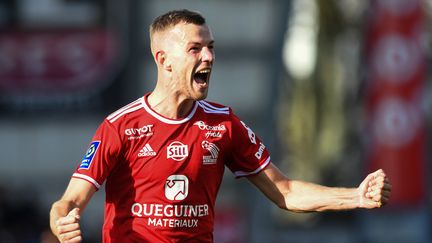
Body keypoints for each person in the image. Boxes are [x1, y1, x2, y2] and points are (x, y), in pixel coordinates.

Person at [50, 9, 391, 243]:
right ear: (163, 60)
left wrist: (356, 196)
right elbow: (68, 202)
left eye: (211, 48)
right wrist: (63, 222)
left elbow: (284, 191)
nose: (209, 58)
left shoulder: (223, 124)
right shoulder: (120, 127)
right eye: (195, 49)